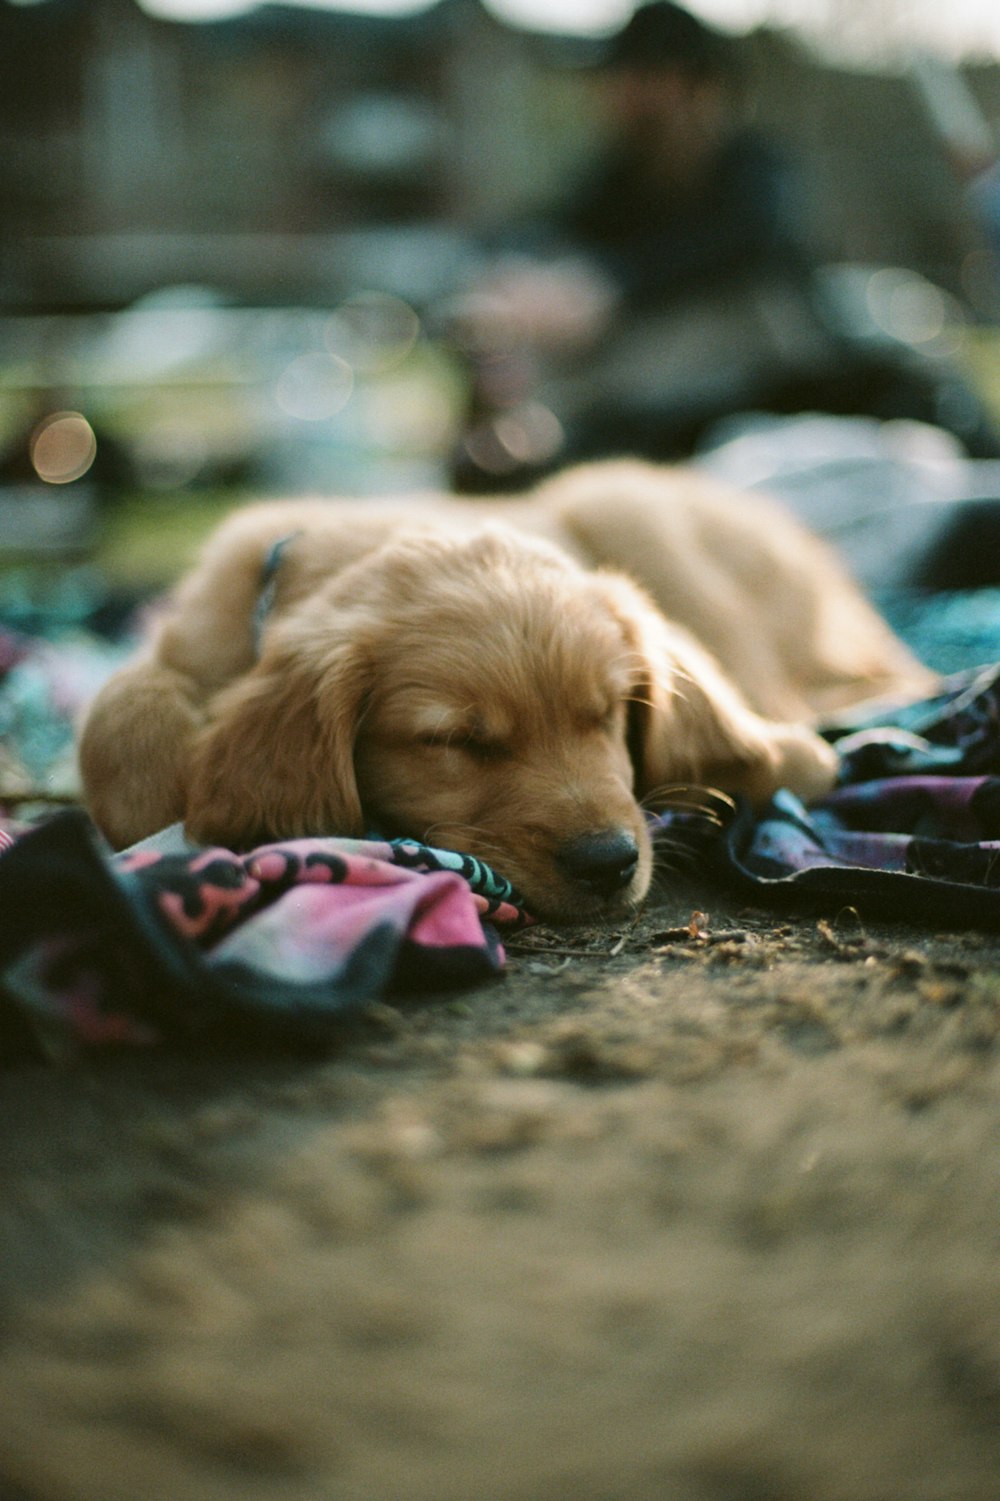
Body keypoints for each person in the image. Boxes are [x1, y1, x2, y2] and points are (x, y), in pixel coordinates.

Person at [449, 0, 1000, 489]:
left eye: (642, 79)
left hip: (779, 387)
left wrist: (609, 286)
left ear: (697, 87)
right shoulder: (618, 181)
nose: (620, 98)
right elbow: (542, 230)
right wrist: (509, 288)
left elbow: (735, 241)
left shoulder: (752, 169)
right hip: (673, 411)